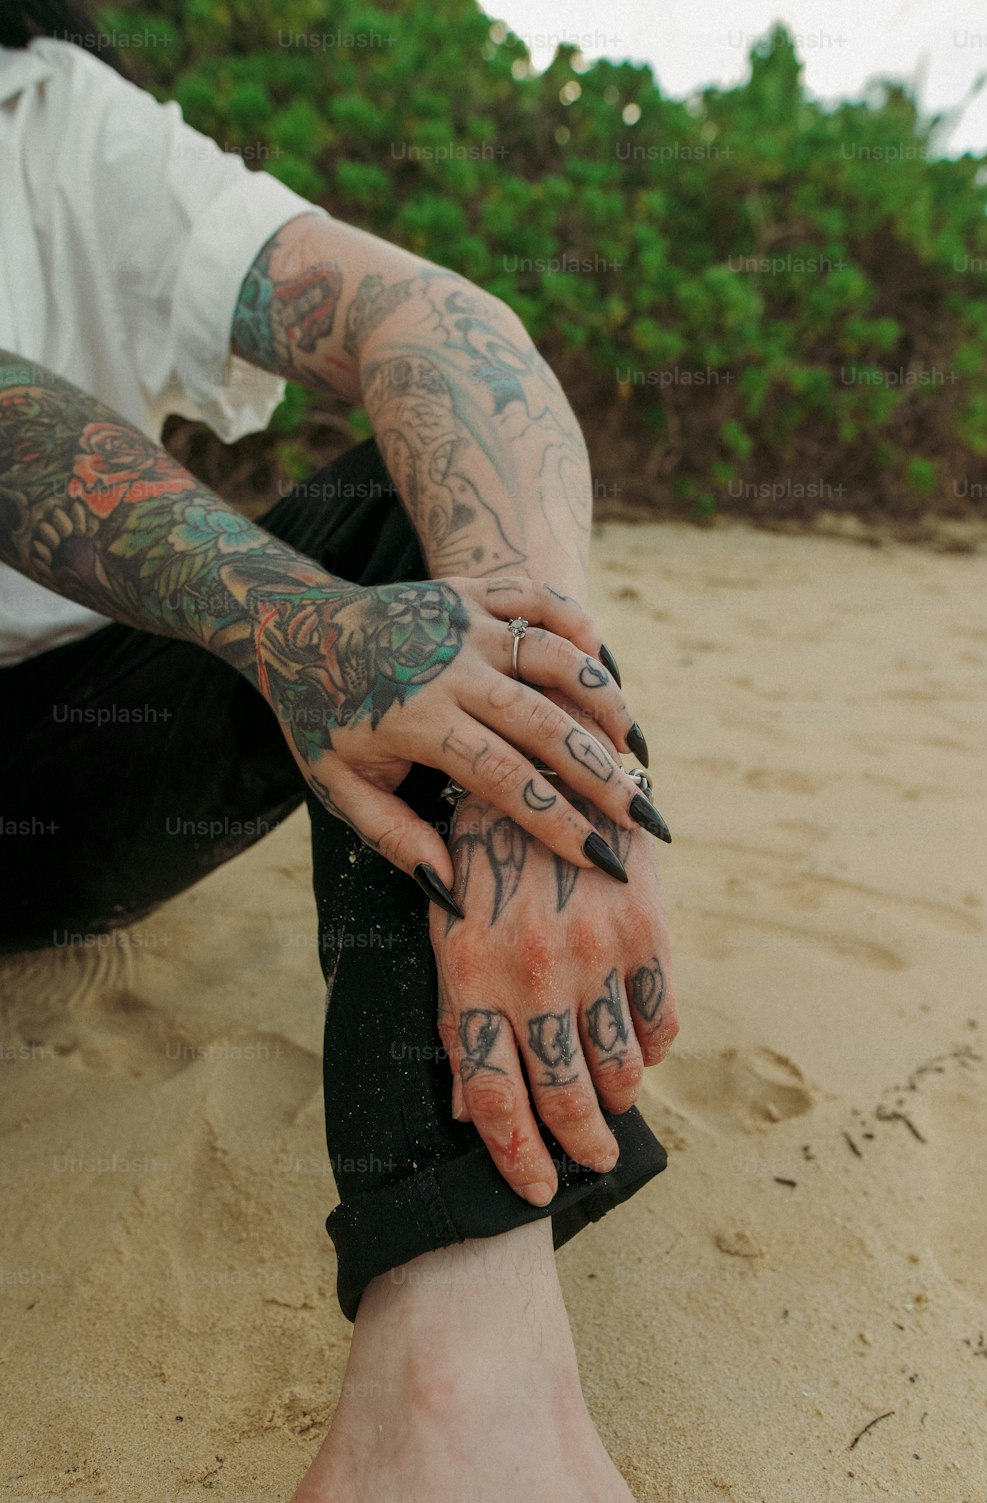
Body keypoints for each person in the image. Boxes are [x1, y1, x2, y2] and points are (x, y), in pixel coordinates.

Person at [0, 8, 679, 1500]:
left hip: (42, 772)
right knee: (377, 625)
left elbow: (443, 325)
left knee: (438, 565)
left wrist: (534, 774)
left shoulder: (49, 115)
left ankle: (456, 1379)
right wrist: (305, 631)